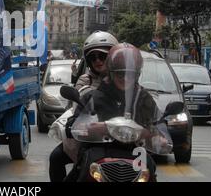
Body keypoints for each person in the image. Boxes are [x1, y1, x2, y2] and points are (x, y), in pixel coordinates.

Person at [64, 43, 162, 181]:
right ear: (110, 73)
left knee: (150, 168)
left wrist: (157, 136)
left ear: (137, 75)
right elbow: (73, 125)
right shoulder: (92, 96)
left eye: (131, 74)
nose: (126, 78)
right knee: (78, 170)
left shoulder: (145, 99)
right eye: (120, 74)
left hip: (135, 152)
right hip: (98, 152)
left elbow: (157, 125)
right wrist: (82, 127)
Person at [49, 31, 118, 182]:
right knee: (56, 158)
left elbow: (139, 102)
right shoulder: (84, 82)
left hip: (122, 139)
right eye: (93, 57)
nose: (98, 60)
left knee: (148, 165)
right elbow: (76, 109)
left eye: (102, 56)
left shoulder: (123, 80)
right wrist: (74, 123)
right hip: (92, 140)